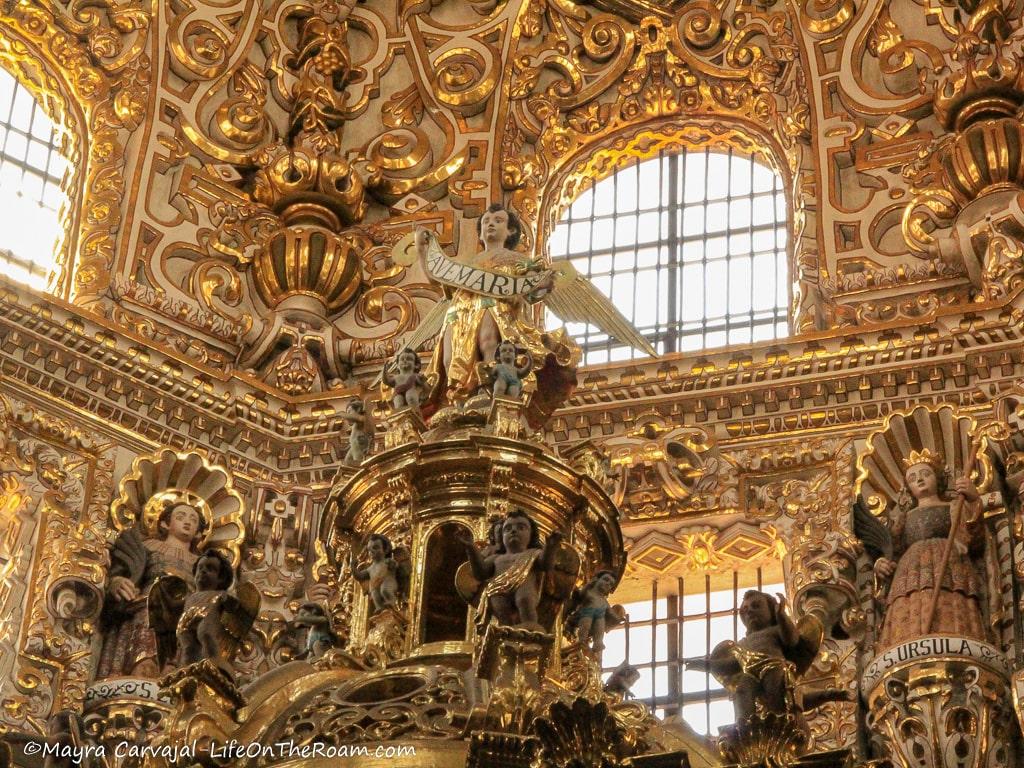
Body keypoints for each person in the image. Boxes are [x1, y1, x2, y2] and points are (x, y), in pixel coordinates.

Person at [414, 204, 578, 424]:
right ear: (480, 232)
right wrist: (422, 251)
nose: (490, 224)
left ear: (510, 231)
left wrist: (543, 280)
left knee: (489, 343)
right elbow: (437, 278)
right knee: (448, 358)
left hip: (494, 306)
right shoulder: (468, 264)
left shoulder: (515, 260)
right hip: (460, 310)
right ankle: (455, 398)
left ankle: (488, 390)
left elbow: (532, 288)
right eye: (486, 221)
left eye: (498, 220)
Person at [871, 450, 986, 649]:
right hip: (910, 571)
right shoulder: (904, 519)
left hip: (948, 562)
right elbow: (892, 551)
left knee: (948, 602)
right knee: (910, 606)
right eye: (913, 478)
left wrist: (974, 500)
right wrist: (881, 563)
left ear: (938, 478)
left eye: (926, 474)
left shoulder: (953, 506)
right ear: (908, 488)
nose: (920, 480)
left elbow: (974, 538)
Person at [97, 502, 206, 678]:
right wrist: (116, 582)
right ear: (165, 524)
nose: (187, 522)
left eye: (193, 520)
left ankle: (171, 675)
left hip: (186, 614)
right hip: (146, 605)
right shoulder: (146, 546)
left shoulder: (203, 563)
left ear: (198, 533)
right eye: (180, 517)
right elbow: (119, 571)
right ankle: (141, 671)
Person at [457, 509, 563, 632]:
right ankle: (504, 629)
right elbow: (480, 572)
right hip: (498, 589)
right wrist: (470, 547)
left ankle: (530, 624)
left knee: (524, 600)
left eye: (521, 527)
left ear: (531, 535)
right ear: (501, 537)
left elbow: (546, 564)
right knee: (500, 606)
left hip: (525, 586)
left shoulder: (533, 554)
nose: (513, 531)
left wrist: (551, 546)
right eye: (507, 529)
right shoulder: (496, 558)